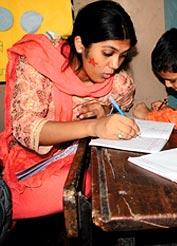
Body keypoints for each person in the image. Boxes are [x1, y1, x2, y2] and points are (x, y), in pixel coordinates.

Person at [0, 0, 140, 220]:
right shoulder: (39, 62)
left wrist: (106, 111)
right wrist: (93, 126)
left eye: (122, 55)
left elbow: (119, 110)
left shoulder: (119, 84)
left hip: (79, 161)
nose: (115, 64)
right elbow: (27, 130)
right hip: (32, 163)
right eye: (108, 53)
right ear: (80, 44)